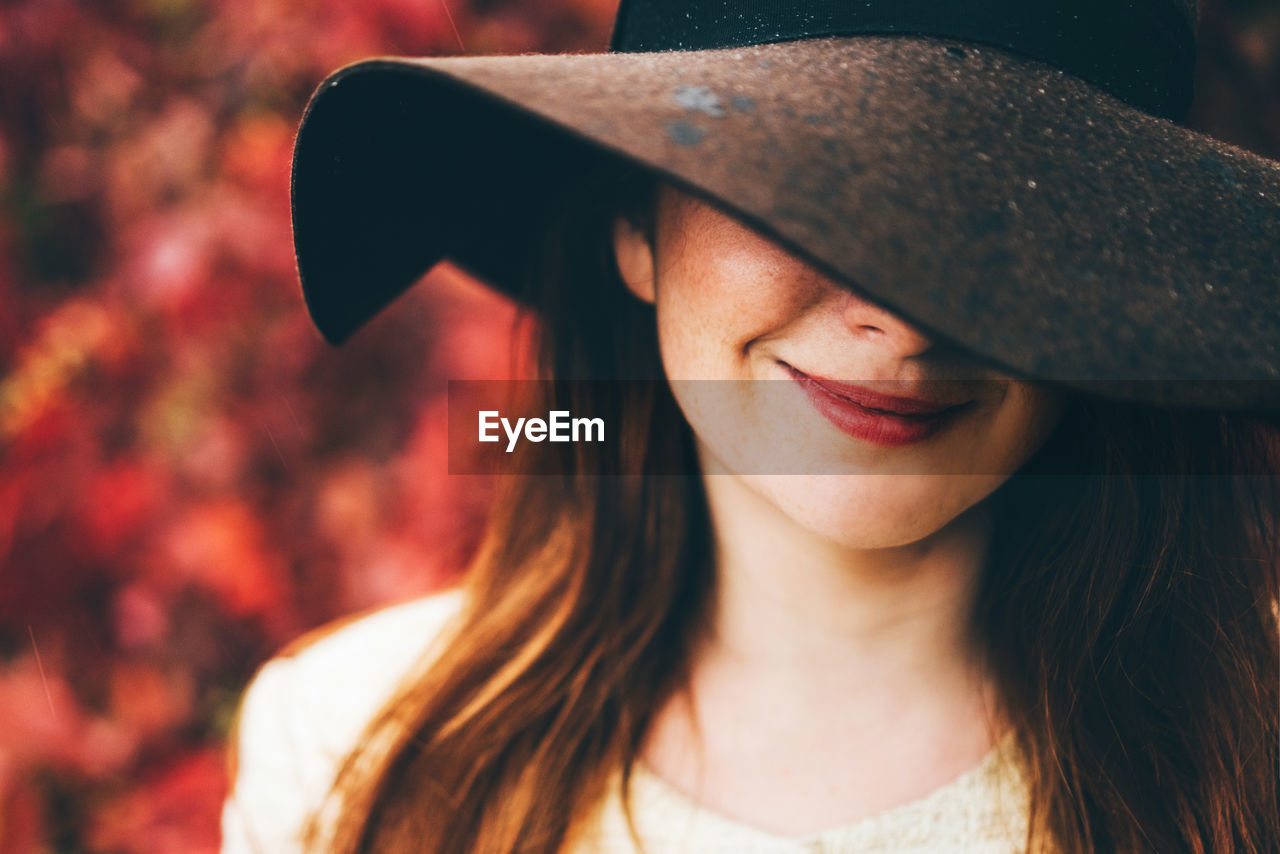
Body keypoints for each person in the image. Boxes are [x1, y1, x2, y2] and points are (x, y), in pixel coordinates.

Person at [222, 1, 1280, 852]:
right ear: (635, 222)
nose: (904, 318)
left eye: (1006, 221)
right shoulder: (351, 752)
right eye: (809, 195)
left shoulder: (1249, 758)